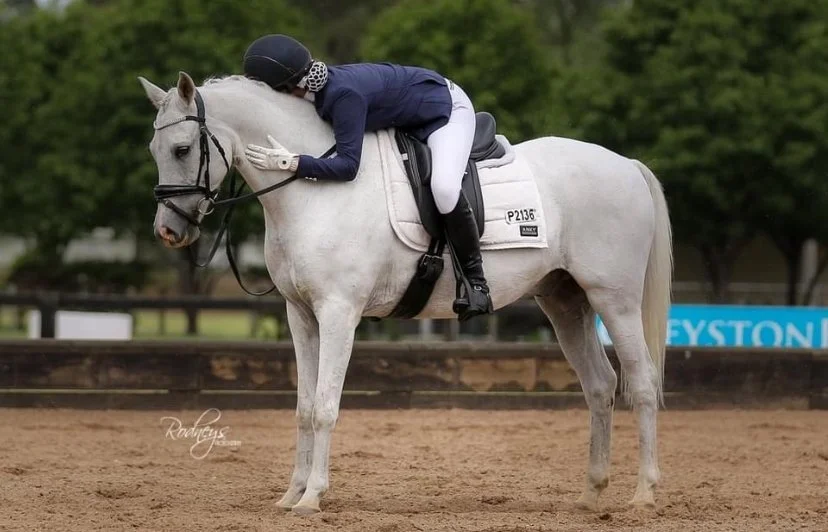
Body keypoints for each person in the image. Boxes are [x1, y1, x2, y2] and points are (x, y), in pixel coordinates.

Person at [242, 34, 492, 321]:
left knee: (444, 188)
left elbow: (348, 167)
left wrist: (293, 163)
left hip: (445, 111)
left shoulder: (342, 96)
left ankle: (476, 282)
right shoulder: (314, 91)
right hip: (410, 114)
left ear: (287, 87)